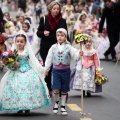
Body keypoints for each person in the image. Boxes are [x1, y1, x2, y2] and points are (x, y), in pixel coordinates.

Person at [0, 30, 51, 114]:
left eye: (21, 42)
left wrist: (43, 69)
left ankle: (28, 106)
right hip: (16, 71)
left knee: (29, 85)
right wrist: (13, 64)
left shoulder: (28, 51)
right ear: (15, 42)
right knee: (15, 87)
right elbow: (8, 63)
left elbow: (34, 61)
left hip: (28, 71)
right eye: (18, 41)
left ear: (25, 42)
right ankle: (18, 106)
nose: (19, 43)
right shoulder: (12, 52)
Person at [45, 28, 80, 115]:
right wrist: (46, 69)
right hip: (56, 71)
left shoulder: (69, 47)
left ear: (65, 37)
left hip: (65, 71)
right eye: (58, 35)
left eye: (62, 35)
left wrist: (79, 54)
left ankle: (63, 106)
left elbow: (75, 55)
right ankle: (56, 103)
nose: (60, 37)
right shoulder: (53, 47)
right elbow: (49, 58)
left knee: (64, 89)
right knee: (56, 89)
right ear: (56, 37)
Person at [37, 1, 68, 97]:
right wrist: (43, 33)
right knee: (48, 69)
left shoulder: (62, 21)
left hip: (59, 48)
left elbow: (66, 34)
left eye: (58, 9)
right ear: (50, 9)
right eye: (54, 9)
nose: (56, 10)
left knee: (58, 68)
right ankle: (48, 88)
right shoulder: (44, 19)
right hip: (46, 47)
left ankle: (57, 88)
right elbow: (38, 32)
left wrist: (69, 45)